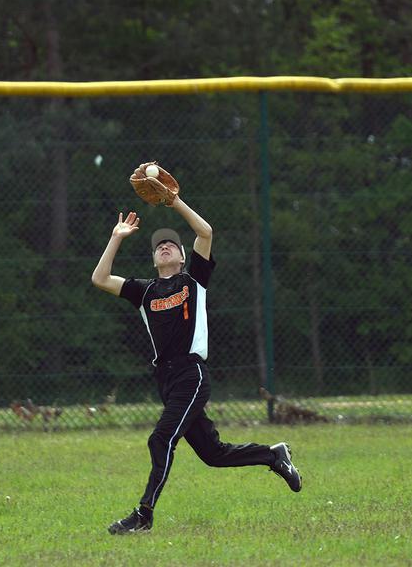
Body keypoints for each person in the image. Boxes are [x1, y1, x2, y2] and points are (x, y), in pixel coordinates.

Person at [91, 196, 302, 535]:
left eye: (171, 244)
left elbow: (205, 231)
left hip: (191, 374)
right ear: (153, 258)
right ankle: (273, 455)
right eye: (159, 245)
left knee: (160, 440)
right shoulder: (144, 292)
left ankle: (143, 515)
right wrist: (116, 237)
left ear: (182, 256)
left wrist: (174, 202)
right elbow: (100, 279)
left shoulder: (194, 282)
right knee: (212, 453)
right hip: (167, 379)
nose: (164, 246)